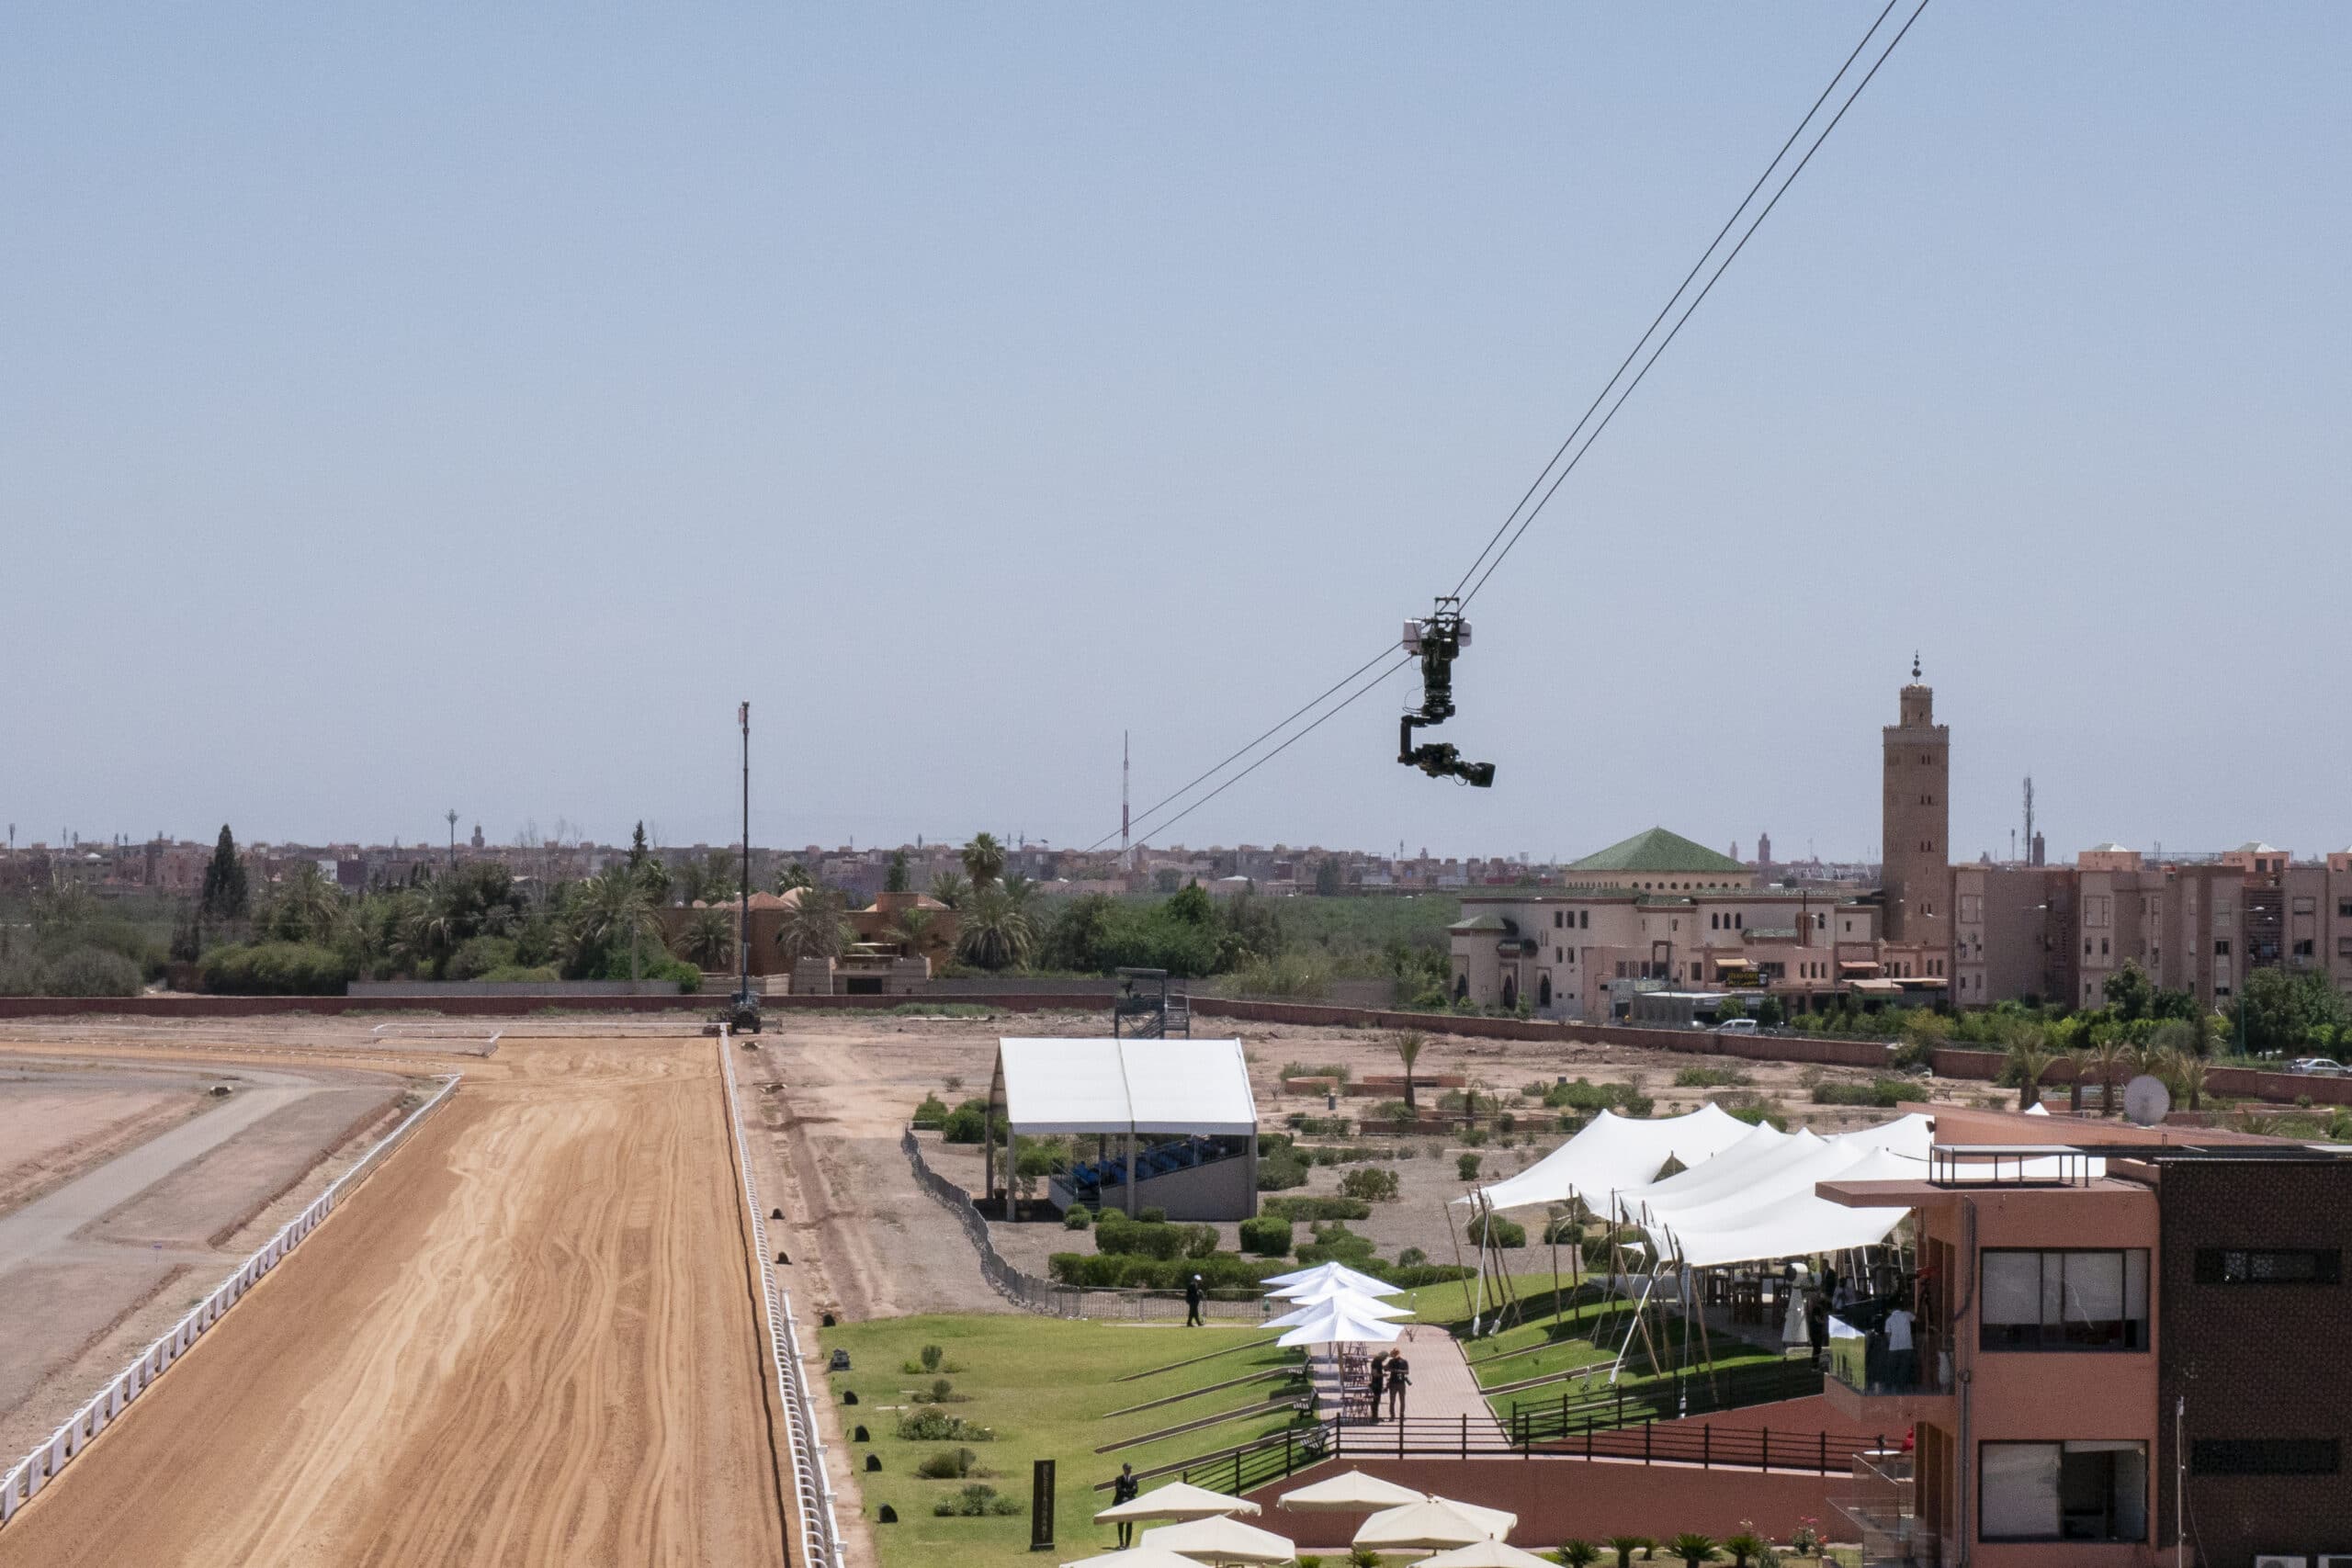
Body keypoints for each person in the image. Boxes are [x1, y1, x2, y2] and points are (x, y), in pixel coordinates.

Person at [1884, 1303, 1917, 1391]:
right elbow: (1917, 1320)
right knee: (1904, 1369)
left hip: (1894, 1348)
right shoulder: (1907, 1314)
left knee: (1891, 1368)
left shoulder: (1889, 1319)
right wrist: (1913, 1311)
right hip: (1907, 1346)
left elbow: (1887, 1334)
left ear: (1890, 1310)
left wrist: (1890, 1344)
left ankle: (1888, 1388)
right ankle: (1901, 1388)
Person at [1110, 1462, 1139, 1548]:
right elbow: (1119, 1490)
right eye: (1128, 1468)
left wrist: (1126, 1491)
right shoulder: (1119, 1479)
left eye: (1130, 1468)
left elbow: (1136, 1490)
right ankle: (1121, 1542)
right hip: (1121, 1503)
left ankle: (1127, 1544)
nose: (1130, 1470)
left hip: (1130, 1503)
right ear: (1124, 1469)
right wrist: (1129, 1492)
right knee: (1120, 1523)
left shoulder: (1133, 1479)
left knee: (1129, 1523)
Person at [1385, 1350, 1411, 1420]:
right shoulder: (1391, 1361)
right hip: (1393, 1383)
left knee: (1402, 1401)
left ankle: (1401, 1415)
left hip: (1401, 1383)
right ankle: (1392, 1416)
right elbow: (1385, 1369)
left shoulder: (1404, 1362)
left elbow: (1407, 1372)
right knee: (1392, 1401)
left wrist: (1398, 1371)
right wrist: (1390, 1369)